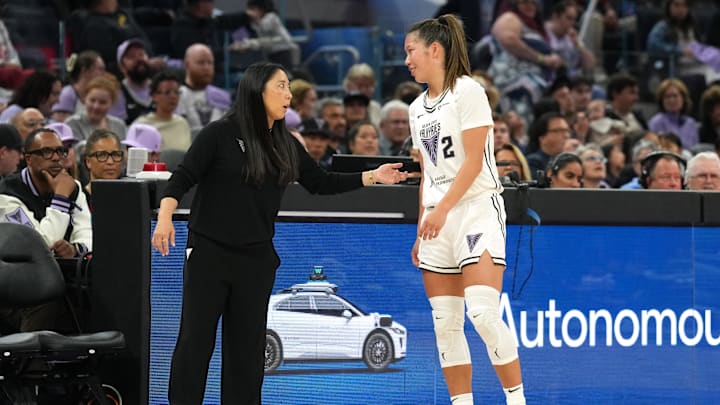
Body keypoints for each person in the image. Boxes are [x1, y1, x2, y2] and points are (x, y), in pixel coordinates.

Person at [150, 62, 408, 404]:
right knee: (196, 343)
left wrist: (372, 175)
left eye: (289, 88)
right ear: (258, 91)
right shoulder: (219, 134)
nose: (289, 95)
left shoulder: (285, 142)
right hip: (209, 255)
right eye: (281, 86)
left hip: (256, 260)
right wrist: (166, 217)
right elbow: (181, 178)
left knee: (247, 350)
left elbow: (321, 182)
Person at [404, 14, 525, 405]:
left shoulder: (468, 91)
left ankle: (517, 400)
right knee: (445, 324)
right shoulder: (415, 108)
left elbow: (474, 162)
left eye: (411, 51)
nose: (407, 60)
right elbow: (428, 173)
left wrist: (442, 211)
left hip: (476, 208)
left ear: (434, 50)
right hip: (437, 217)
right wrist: (422, 225)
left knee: (484, 314)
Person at [0, 128, 91, 332]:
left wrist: (76, 249)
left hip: (64, 278)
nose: (56, 158)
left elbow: (86, 229)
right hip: (14, 288)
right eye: (47, 152)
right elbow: (40, 244)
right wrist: (60, 199)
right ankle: (30, 361)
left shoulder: (71, 186)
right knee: (48, 293)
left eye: (61, 151)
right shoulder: (7, 195)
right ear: (29, 158)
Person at [177, 43, 232, 136]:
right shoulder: (177, 95)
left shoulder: (222, 96)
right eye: (201, 63)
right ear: (186, 64)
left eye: (210, 63)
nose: (207, 68)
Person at [133, 70, 192, 152]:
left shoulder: (182, 123)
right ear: (154, 96)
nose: (173, 96)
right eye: (167, 92)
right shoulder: (142, 125)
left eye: (176, 92)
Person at [648, 79, 699, 149]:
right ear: (661, 100)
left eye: (675, 96)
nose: (671, 100)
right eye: (667, 96)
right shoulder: (656, 122)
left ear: (683, 98)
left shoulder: (691, 123)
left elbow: (696, 149)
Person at [82, 129, 124, 208]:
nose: (110, 162)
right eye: (102, 155)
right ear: (88, 162)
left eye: (115, 155)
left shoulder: (129, 199)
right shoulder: (79, 201)